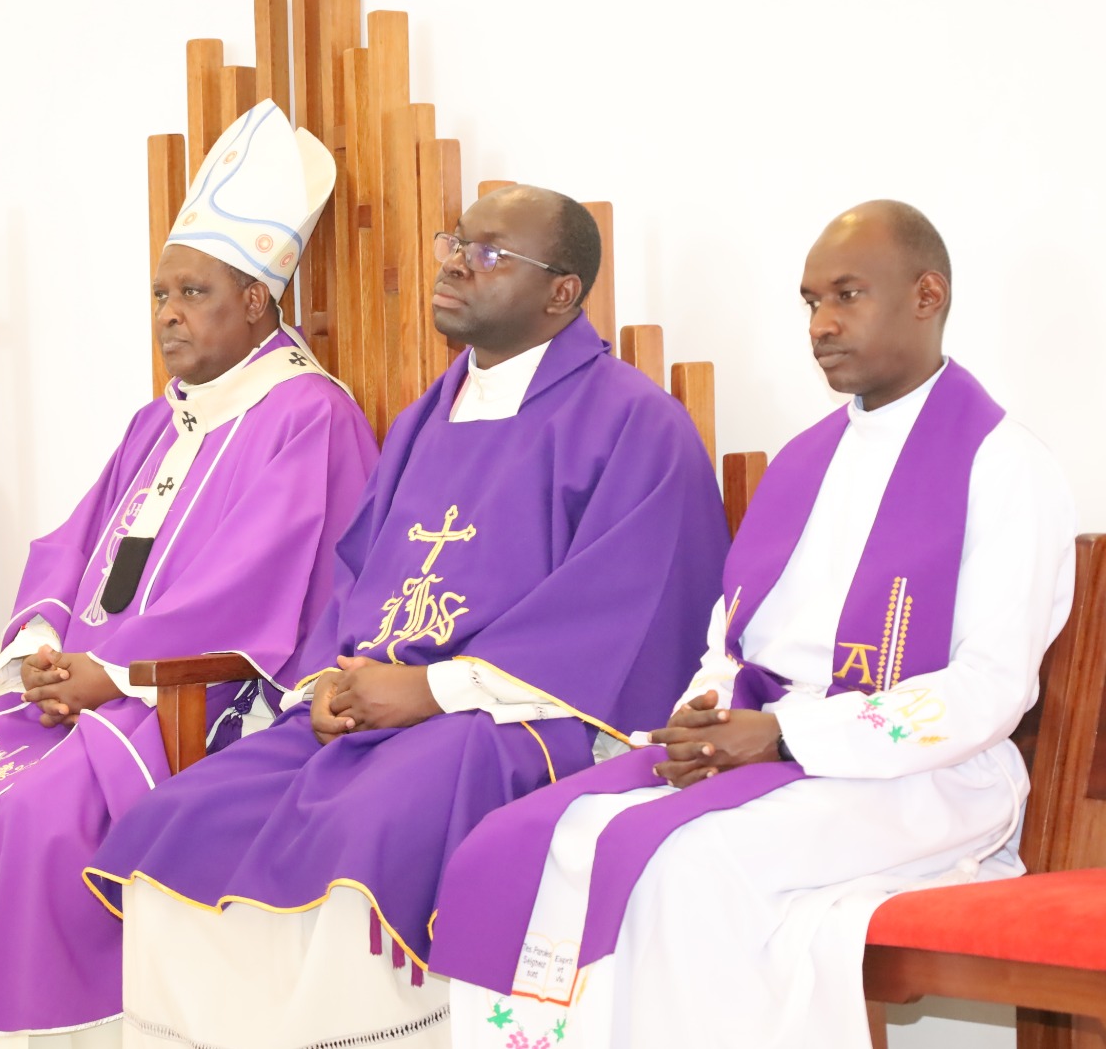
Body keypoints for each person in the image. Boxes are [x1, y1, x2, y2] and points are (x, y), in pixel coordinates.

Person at [85, 184, 729, 1049]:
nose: (455, 263)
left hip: (514, 719)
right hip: (379, 709)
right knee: (176, 820)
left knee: (369, 830)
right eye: (453, 242)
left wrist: (431, 691)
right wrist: (326, 681)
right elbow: (358, 573)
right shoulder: (430, 415)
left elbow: (622, 614)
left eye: (488, 253)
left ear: (561, 292)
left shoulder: (635, 422)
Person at [431, 200, 1077, 1049]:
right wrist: (707, 713)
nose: (822, 324)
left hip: (925, 777)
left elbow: (989, 689)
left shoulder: (1005, 467)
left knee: (687, 868)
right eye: (811, 302)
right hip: (775, 750)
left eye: (847, 295)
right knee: (521, 840)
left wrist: (785, 736)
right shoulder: (802, 461)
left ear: (928, 296)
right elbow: (732, 644)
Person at [0, 99, 378, 1048]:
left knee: (33, 820)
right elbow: (74, 545)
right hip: (88, 688)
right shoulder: (161, 418)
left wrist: (112, 673)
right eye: (159, 295)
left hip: (191, 701)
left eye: (193, 293)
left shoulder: (308, 415)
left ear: (257, 301)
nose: (168, 314)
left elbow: (258, 590)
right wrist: (46, 645)